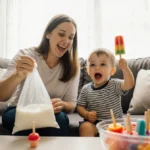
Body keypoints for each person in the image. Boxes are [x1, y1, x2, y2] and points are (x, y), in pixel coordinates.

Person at [0, 14, 80, 136]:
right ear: (48, 34)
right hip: (19, 109)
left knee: (61, 120)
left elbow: (71, 104)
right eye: (61, 34)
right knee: (25, 120)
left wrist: (62, 104)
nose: (66, 41)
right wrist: (18, 75)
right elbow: (2, 95)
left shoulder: (73, 67)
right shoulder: (26, 55)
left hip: (51, 113)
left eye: (71, 37)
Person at [77, 48, 135, 137]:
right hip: (94, 124)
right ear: (88, 70)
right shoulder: (86, 89)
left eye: (102, 64)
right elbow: (80, 107)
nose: (97, 67)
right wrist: (86, 114)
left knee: (121, 133)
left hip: (114, 124)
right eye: (92, 64)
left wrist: (125, 69)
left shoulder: (115, 84)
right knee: (85, 127)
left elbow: (129, 84)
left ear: (112, 71)